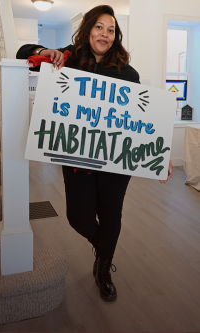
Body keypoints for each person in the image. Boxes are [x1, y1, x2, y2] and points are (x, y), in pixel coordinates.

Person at [16, 5, 173, 302]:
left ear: (116, 36)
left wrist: (160, 154)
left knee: (111, 215)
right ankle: (104, 250)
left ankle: (103, 270)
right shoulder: (69, 58)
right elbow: (23, 54)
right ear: (88, 30)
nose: (105, 34)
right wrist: (45, 50)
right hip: (78, 160)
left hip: (115, 163)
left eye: (111, 29)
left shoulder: (128, 73)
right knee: (78, 217)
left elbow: (144, 120)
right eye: (99, 27)